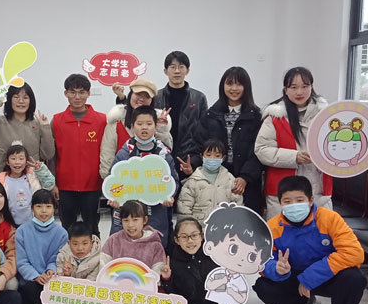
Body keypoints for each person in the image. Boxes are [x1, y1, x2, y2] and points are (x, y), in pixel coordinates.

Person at [252, 176, 365, 304]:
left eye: (299, 200)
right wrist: (277, 269)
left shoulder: (329, 218)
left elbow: (354, 253)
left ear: (311, 200)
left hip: (326, 276)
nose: (293, 205)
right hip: (294, 276)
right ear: (280, 203)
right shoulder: (272, 227)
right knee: (263, 286)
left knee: (355, 279)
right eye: (287, 201)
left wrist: (309, 278)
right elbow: (263, 261)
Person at [255, 67, 331, 219]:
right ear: (285, 89)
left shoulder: (326, 116)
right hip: (283, 192)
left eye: (305, 86)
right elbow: (262, 149)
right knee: (281, 231)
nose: (299, 92)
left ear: (311, 87)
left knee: (320, 230)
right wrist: (294, 157)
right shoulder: (275, 117)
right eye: (294, 87)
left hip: (318, 188)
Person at [162, 218, 236, 304]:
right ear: (177, 240)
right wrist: (167, 279)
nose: (190, 241)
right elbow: (172, 295)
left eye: (194, 235)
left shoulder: (217, 256)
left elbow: (235, 285)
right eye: (184, 237)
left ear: (202, 236)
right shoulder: (172, 261)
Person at [108, 105, 178, 247]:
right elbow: (113, 180)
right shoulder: (124, 154)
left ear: (155, 126)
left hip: (156, 211)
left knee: (154, 247)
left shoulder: (164, 154)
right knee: (126, 248)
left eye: (149, 124)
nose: (144, 128)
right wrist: (114, 197)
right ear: (132, 126)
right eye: (139, 124)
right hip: (129, 211)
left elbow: (173, 180)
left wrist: (169, 195)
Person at [196, 66, 264, 214]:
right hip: (215, 179)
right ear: (223, 86)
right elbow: (200, 144)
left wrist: (245, 177)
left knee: (246, 222)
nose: (234, 88)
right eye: (229, 83)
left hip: (247, 184)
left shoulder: (256, 116)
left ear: (246, 87)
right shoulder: (210, 115)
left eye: (239, 84)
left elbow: (258, 150)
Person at [101, 200, 166, 304]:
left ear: (145, 220)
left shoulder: (155, 244)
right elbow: (104, 266)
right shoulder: (114, 240)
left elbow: (156, 274)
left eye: (135, 220)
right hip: (121, 299)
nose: (130, 225)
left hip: (146, 300)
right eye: (126, 220)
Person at [51, 74, 107, 236]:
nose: (77, 97)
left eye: (81, 92)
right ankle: (67, 253)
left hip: (93, 185)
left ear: (88, 93)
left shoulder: (101, 120)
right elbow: (51, 156)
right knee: (67, 227)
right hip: (64, 186)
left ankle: (95, 252)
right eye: (72, 92)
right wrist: (53, 183)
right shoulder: (56, 121)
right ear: (65, 93)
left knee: (92, 227)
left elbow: (107, 151)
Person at [9, 190, 69, 304]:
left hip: (51, 279)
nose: (44, 211)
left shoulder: (61, 233)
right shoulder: (22, 231)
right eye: (39, 206)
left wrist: (51, 270)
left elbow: (57, 258)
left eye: (48, 206)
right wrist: (35, 276)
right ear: (32, 208)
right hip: (30, 281)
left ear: (54, 208)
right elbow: (22, 262)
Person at [0, 83, 55, 176]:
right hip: (1, 179)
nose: (21, 101)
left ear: (31, 101)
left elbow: (48, 155)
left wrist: (45, 127)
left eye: (25, 97)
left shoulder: (37, 124)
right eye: (16, 97)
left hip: (31, 180)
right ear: (9, 99)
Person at [100, 78, 173, 179]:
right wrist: (109, 180)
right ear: (131, 95)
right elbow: (107, 155)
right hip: (123, 181)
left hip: (152, 181)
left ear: (151, 100)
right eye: (138, 94)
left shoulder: (158, 123)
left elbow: (167, 151)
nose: (141, 99)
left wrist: (160, 128)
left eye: (146, 96)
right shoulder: (116, 122)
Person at [152, 51, 205, 180]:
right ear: (165, 71)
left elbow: (204, 132)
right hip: (160, 157)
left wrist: (195, 161)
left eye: (181, 67)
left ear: (187, 71)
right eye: (173, 67)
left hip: (188, 160)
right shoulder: (155, 97)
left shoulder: (199, 98)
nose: (177, 71)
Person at [176, 139, 243, 224]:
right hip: (199, 228)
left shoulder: (230, 179)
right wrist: (189, 228)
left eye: (217, 155)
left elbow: (237, 205)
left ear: (223, 158)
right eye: (208, 155)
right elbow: (184, 208)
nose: (212, 158)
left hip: (223, 228)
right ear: (202, 156)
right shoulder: (193, 180)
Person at [52, 221, 104, 304]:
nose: (80, 248)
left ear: (92, 242)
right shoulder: (63, 256)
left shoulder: (99, 258)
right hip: (71, 291)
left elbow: (92, 282)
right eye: (75, 244)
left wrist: (81, 301)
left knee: (102, 294)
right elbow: (59, 282)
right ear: (69, 242)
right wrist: (67, 275)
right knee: (54, 295)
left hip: (90, 291)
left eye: (85, 243)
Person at [0, 143, 55, 225]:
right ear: (7, 162)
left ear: (26, 161)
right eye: (13, 158)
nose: (17, 162)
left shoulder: (32, 176)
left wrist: (40, 170)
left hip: (33, 223)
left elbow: (49, 185)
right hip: (9, 225)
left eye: (21, 158)